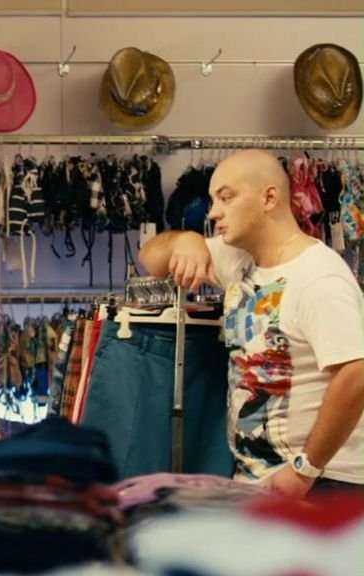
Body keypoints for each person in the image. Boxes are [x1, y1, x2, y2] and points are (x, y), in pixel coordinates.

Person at [139, 149, 364, 498]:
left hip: (324, 483)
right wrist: (187, 240)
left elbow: (356, 373)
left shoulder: (319, 277)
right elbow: (152, 258)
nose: (213, 212)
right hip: (264, 481)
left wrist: (304, 470)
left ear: (269, 198)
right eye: (213, 200)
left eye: (226, 197)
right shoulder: (241, 261)